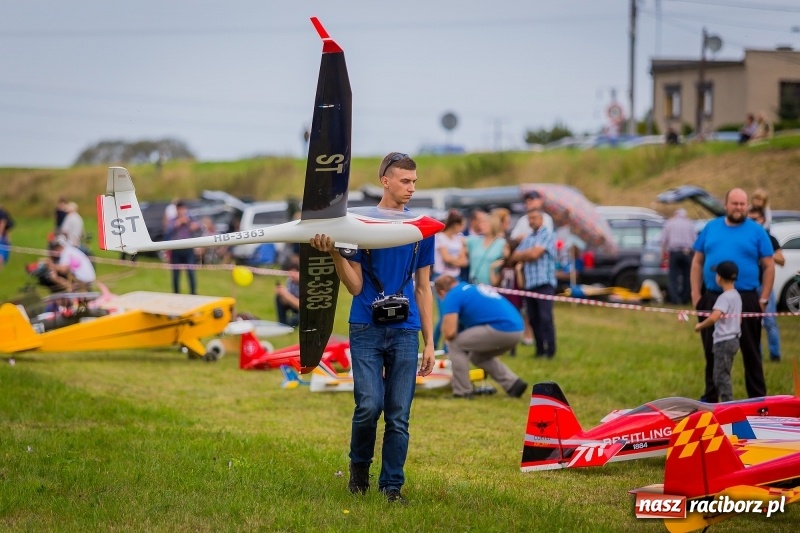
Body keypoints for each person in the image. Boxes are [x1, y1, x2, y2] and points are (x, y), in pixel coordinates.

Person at [308, 152, 435, 504]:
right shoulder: (360, 225)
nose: (411, 187)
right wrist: (334, 252)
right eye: (405, 181)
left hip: (406, 329)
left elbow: (423, 288)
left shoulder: (420, 228)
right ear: (386, 181)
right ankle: (359, 470)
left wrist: (430, 342)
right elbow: (354, 286)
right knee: (368, 405)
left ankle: (392, 487)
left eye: (414, 181)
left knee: (399, 414)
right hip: (365, 325)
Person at [691, 188, 774, 402]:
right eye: (734, 203)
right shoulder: (711, 228)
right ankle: (711, 398)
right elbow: (697, 262)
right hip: (712, 297)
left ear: (747, 206)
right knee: (712, 351)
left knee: (751, 352)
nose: (738, 207)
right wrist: (695, 294)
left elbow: (769, 266)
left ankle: (758, 400)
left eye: (742, 204)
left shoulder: (757, 231)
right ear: (726, 204)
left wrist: (763, 299)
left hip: (746, 298)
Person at [434, 275, 528, 399]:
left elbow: (450, 333)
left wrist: (447, 347)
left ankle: (462, 392)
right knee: (478, 357)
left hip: (502, 328)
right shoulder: (469, 288)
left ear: (441, 292)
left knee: (455, 344)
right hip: (517, 328)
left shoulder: (452, 295)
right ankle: (513, 384)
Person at [511, 208, 558, 358]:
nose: (532, 221)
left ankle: (550, 350)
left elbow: (535, 254)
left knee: (545, 318)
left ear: (542, 219)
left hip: (544, 282)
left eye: (534, 218)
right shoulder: (529, 237)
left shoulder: (549, 235)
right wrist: (529, 254)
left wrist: (527, 254)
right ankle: (539, 350)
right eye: (529, 219)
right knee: (533, 318)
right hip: (530, 284)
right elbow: (514, 256)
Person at [694, 261, 742, 402]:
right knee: (722, 373)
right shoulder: (736, 296)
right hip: (734, 339)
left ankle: (728, 405)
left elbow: (715, 317)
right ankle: (726, 402)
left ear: (719, 278)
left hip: (723, 341)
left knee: (721, 376)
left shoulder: (724, 298)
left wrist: (700, 326)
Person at [748, 206, 784, 362]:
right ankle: (758, 355)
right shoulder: (746, 238)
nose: (751, 222)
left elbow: (781, 260)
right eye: (749, 219)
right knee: (753, 322)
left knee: (770, 321)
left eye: (754, 219)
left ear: (762, 220)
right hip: (749, 286)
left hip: (765, 286)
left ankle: (775, 355)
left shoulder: (770, 238)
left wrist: (766, 253)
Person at [433, 210, 468, 348]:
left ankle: (448, 348)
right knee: (444, 316)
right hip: (441, 279)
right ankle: (434, 345)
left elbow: (464, 261)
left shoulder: (459, 238)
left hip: (455, 279)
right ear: (455, 224)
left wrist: (454, 261)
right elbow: (446, 259)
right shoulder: (440, 237)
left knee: (453, 315)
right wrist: (456, 260)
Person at [661, 208, 696, 305]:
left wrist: (663, 256)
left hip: (674, 252)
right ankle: (685, 299)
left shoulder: (670, 223)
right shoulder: (689, 224)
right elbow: (695, 241)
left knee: (673, 277)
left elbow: (663, 241)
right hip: (686, 252)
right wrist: (693, 256)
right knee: (687, 277)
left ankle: (674, 299)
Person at [165, 200, 200, 294]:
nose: (180, 211)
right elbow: (167, 232)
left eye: (182, 209)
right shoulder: (173, 220)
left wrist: (188, 222)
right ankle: (176, 293)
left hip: (188, 250)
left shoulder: (191, 218)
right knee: (176, 274)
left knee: (191, 272)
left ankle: (193, 293)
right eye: (178, 209)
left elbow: (197, 227)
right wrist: (177, 224)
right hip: (176, 250)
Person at [465, 211, 506, 285]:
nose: (481, 225)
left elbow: (507, 260)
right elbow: (455, 239)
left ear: (493, 225)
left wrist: (493, 268)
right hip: (474, 284)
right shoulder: (474, 241)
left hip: (491, 286)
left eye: (484, 223)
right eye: (481, 223)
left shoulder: (501, 243)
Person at [275, 257, 300, 327]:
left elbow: (302, 306)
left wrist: (286, 294)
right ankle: (282, 323)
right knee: (279, 297)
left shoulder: (306, 283)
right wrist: (282, 294)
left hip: (306, 311)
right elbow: (286, 301)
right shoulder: (290, 280)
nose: (292, 276)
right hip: (295, 305)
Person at [0, 204, 13, 269]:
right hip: (4, 239)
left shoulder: (2, 212)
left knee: (1, 259)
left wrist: (0, 235)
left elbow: (3, 223)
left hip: (3, 239)